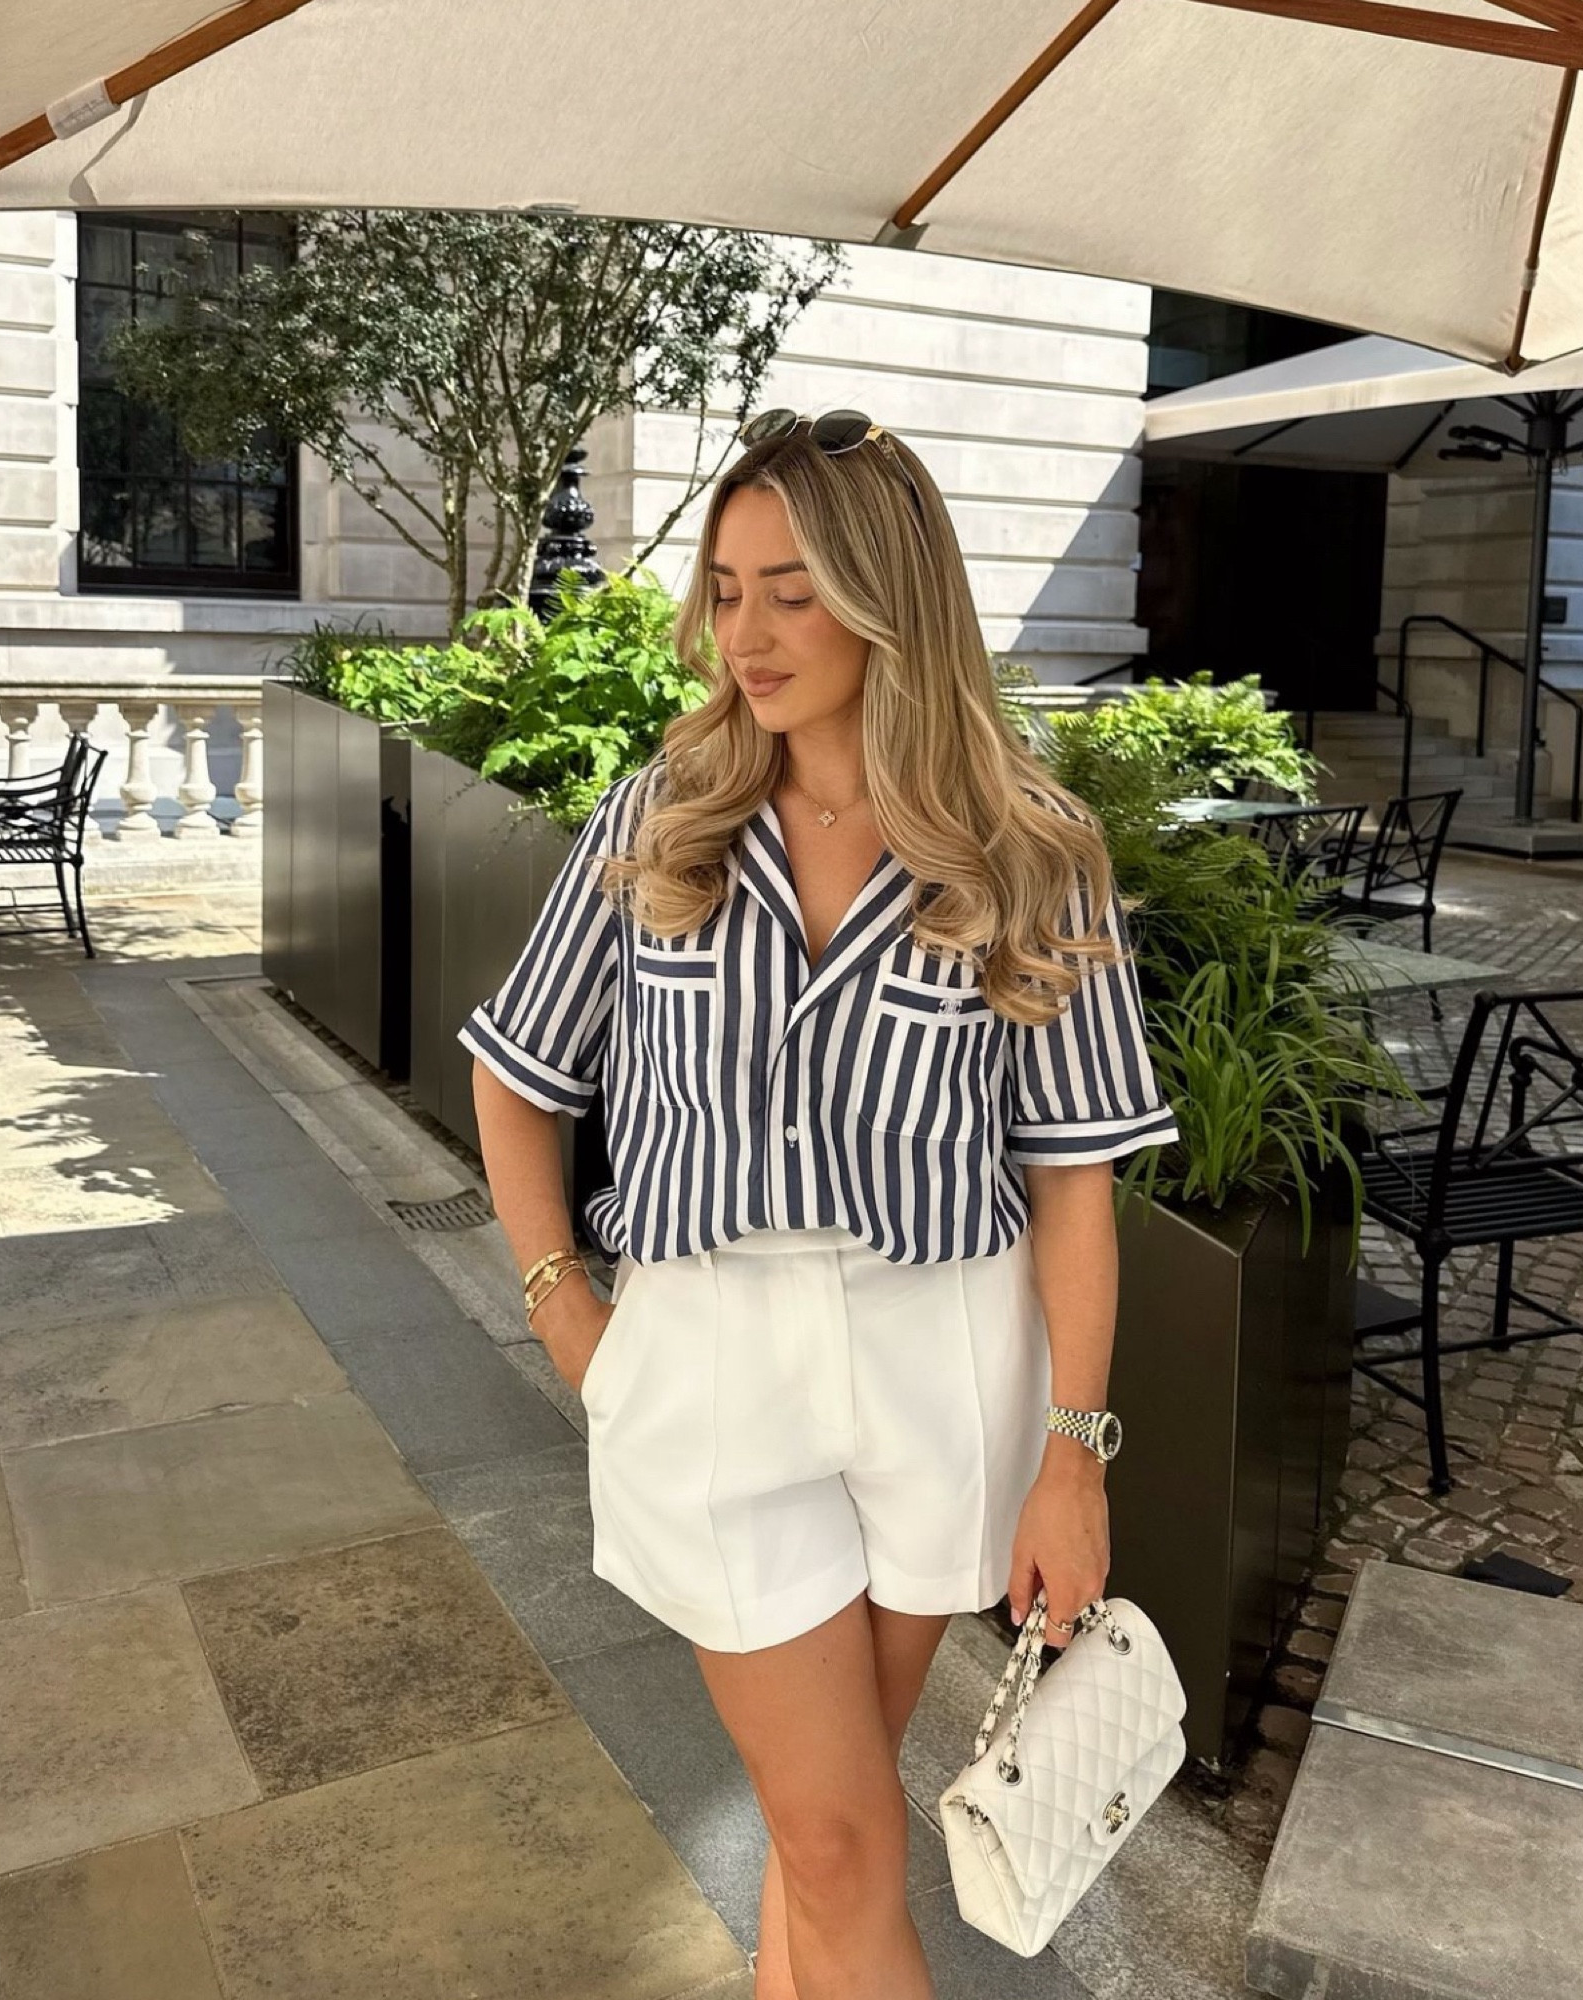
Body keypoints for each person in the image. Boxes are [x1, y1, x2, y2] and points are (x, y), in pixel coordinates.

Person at [459, 408, 1178, 2000]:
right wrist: (560, 1301)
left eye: (792, 588)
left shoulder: (1031, 851)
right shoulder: (665, 819)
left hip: (943, 1360)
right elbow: (517, 1075)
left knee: (819, 1829)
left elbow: (1075, 1194)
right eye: (725, 588)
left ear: (888, 595)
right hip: (712, 1352)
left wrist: (1076, 1459)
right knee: (846, 1836)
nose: (749, 632)